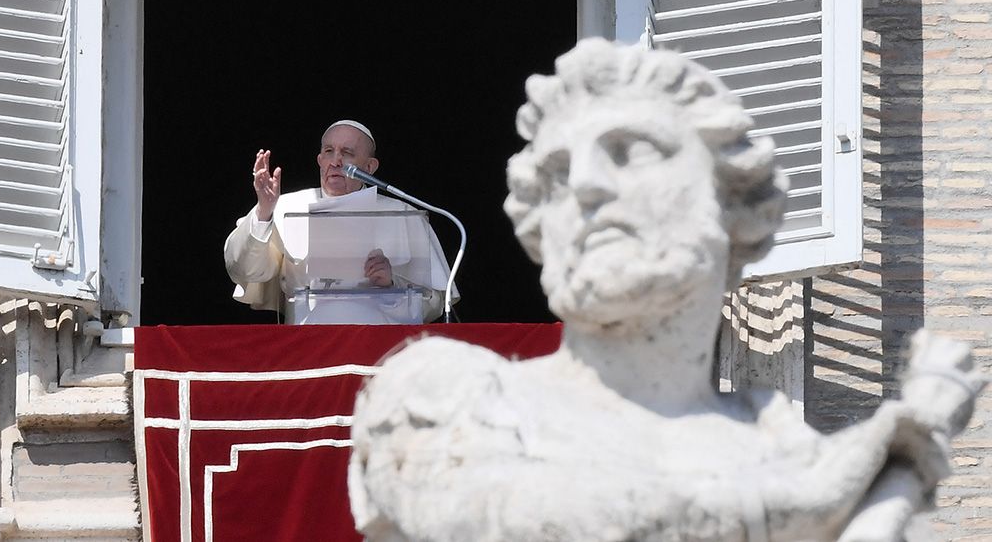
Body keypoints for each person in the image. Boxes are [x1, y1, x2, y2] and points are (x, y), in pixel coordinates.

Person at [348, 39, 984, 541]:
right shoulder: (446, 400)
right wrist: (851, 474)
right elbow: (533, 520)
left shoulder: (788, 451)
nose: (587, 186)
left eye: (633, 152)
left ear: (732, 205)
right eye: (557, 172)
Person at [224, 119, 454, 323]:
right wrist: (264, 210)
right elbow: (246, 271)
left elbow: (435, 302)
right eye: (329, 151)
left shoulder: (402, 213)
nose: (336, 161)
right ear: (319, 160)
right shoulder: (284, 207)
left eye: (348, 153)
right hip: (307, 342)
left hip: (380, 346)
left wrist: (391, 285)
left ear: (369, 167)